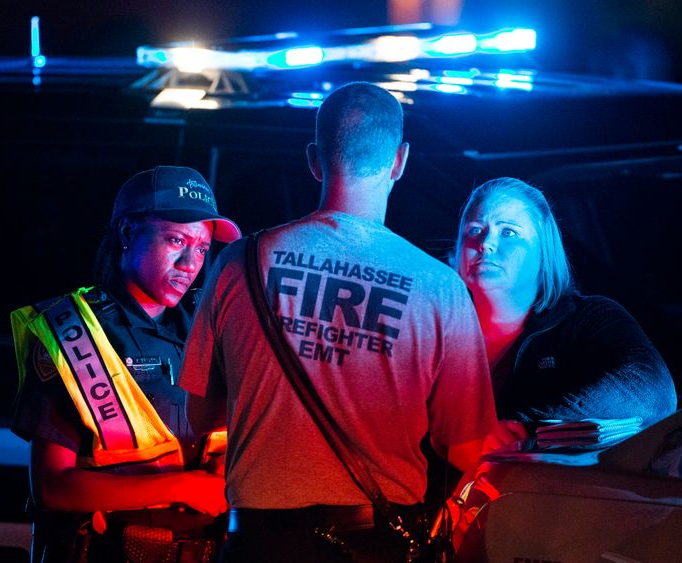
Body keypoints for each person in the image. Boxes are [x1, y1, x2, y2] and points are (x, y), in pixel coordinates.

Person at [179, 82, 497, 562]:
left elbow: (198, 418)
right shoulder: (440, 288)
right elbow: (464, 451)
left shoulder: (237, 263)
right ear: (400, 161)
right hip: (377, 543)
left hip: (258, 545)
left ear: (314, 158)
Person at [11, 165, 241, 562]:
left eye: (203, 248)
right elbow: (52, 488)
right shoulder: (73, 331)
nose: (191, 262)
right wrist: (184, 487)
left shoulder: (209, 328)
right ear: (127, 233)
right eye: (176, 240)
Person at [451, 177, 677, 428]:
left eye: (508, 232)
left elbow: (651, 392)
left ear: (543, 248)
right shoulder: (437, 329)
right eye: (474, 230)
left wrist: (523, 428)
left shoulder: (589, 319)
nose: (486, 243)